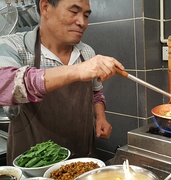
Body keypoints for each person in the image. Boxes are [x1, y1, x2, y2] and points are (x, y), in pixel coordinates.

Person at [0, 0, 124, 165]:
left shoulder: (86, 52)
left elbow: (96, 93)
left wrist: (100, 117)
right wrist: (77, 71)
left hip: (82, 159)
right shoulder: (14, 46)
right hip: (32, 166)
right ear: (45, 7)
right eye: (74, 12)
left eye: (86, 15)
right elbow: (4, 85)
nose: (82, 22)